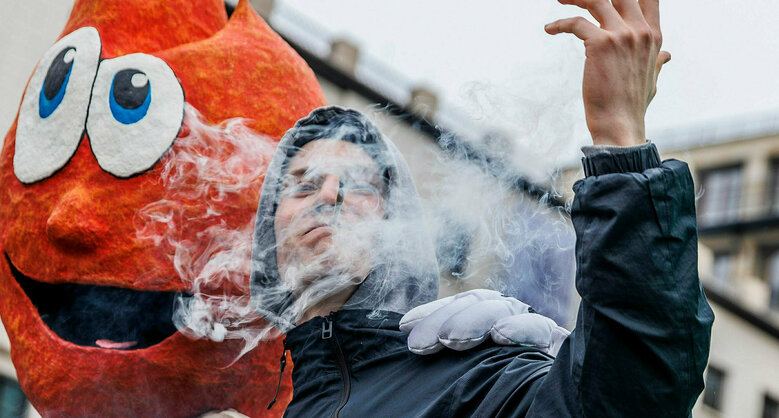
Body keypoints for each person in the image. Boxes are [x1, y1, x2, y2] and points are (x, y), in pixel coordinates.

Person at [249, 0, 713, 416]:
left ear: (398, 233)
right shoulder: (266, 398)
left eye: (359, 186)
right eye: (304, 185)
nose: (329, 195)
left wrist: (619, 135)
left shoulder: (473, 383)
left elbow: (630, 399)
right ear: (270, 231)